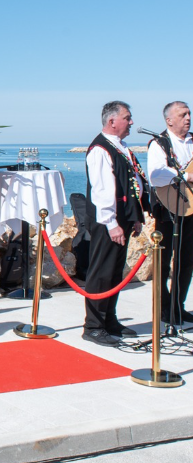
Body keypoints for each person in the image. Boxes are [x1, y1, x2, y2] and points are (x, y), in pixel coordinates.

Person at [83, 101, 148, 345]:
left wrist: (135, 216)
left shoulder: (120, 146)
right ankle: (93, 326)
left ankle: (109, 320)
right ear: (112, 121)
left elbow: (130, 183)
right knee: (102, 272)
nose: (131, 122)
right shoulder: (100, 149)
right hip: (107, 221)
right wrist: (112, 223)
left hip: (123, 218)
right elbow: (102, 191)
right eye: (127, 118)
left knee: (115, 272)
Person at [147, 100, 193, 326]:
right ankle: (164, 308)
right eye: (183, 114)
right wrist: (185, 175)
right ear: (169, 120)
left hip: (191, 207)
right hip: (167, 210)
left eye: (189, 114)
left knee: (187, 261)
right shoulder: (159, 144)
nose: (188, 118)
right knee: (163, 262)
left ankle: (178, 306)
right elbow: (156, 176)